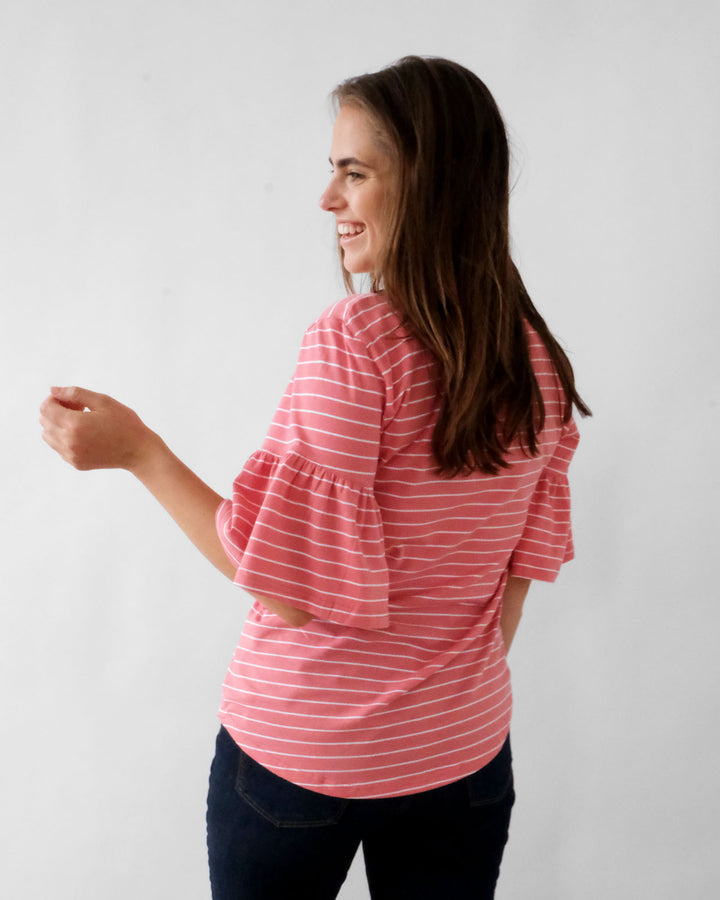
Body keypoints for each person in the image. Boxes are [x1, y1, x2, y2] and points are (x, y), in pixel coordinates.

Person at [39, 56, 591, 900]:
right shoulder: (537, 360)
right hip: (462, 759)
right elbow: (513, 592)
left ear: (430, 183)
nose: (328, 198)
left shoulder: (358, 343)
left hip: (304, 761)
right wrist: (422, 708)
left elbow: (288, 592)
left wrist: (140, 451)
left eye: (354, 173)